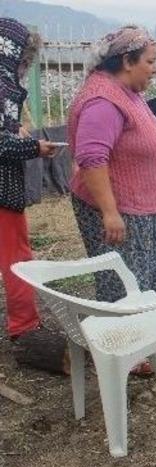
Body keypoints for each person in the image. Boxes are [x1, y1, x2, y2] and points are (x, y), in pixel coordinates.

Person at [67, 26, 156, 374]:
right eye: (151, 61)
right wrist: (110, 212)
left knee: (151, 272)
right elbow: (91, 158)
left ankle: (154, 332)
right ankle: (125, 347)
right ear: (127, 61)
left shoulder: (127, 91)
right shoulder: (102, 101)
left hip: (146, 208)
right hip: (121, 209)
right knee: (123, 278)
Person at [0, 18, 58, 340]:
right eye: (24, 61)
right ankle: (24, 327)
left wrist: (14, 129)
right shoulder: (2, 86)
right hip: (2, 190)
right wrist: (34, 147)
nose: (24, 70)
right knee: (16, 259)